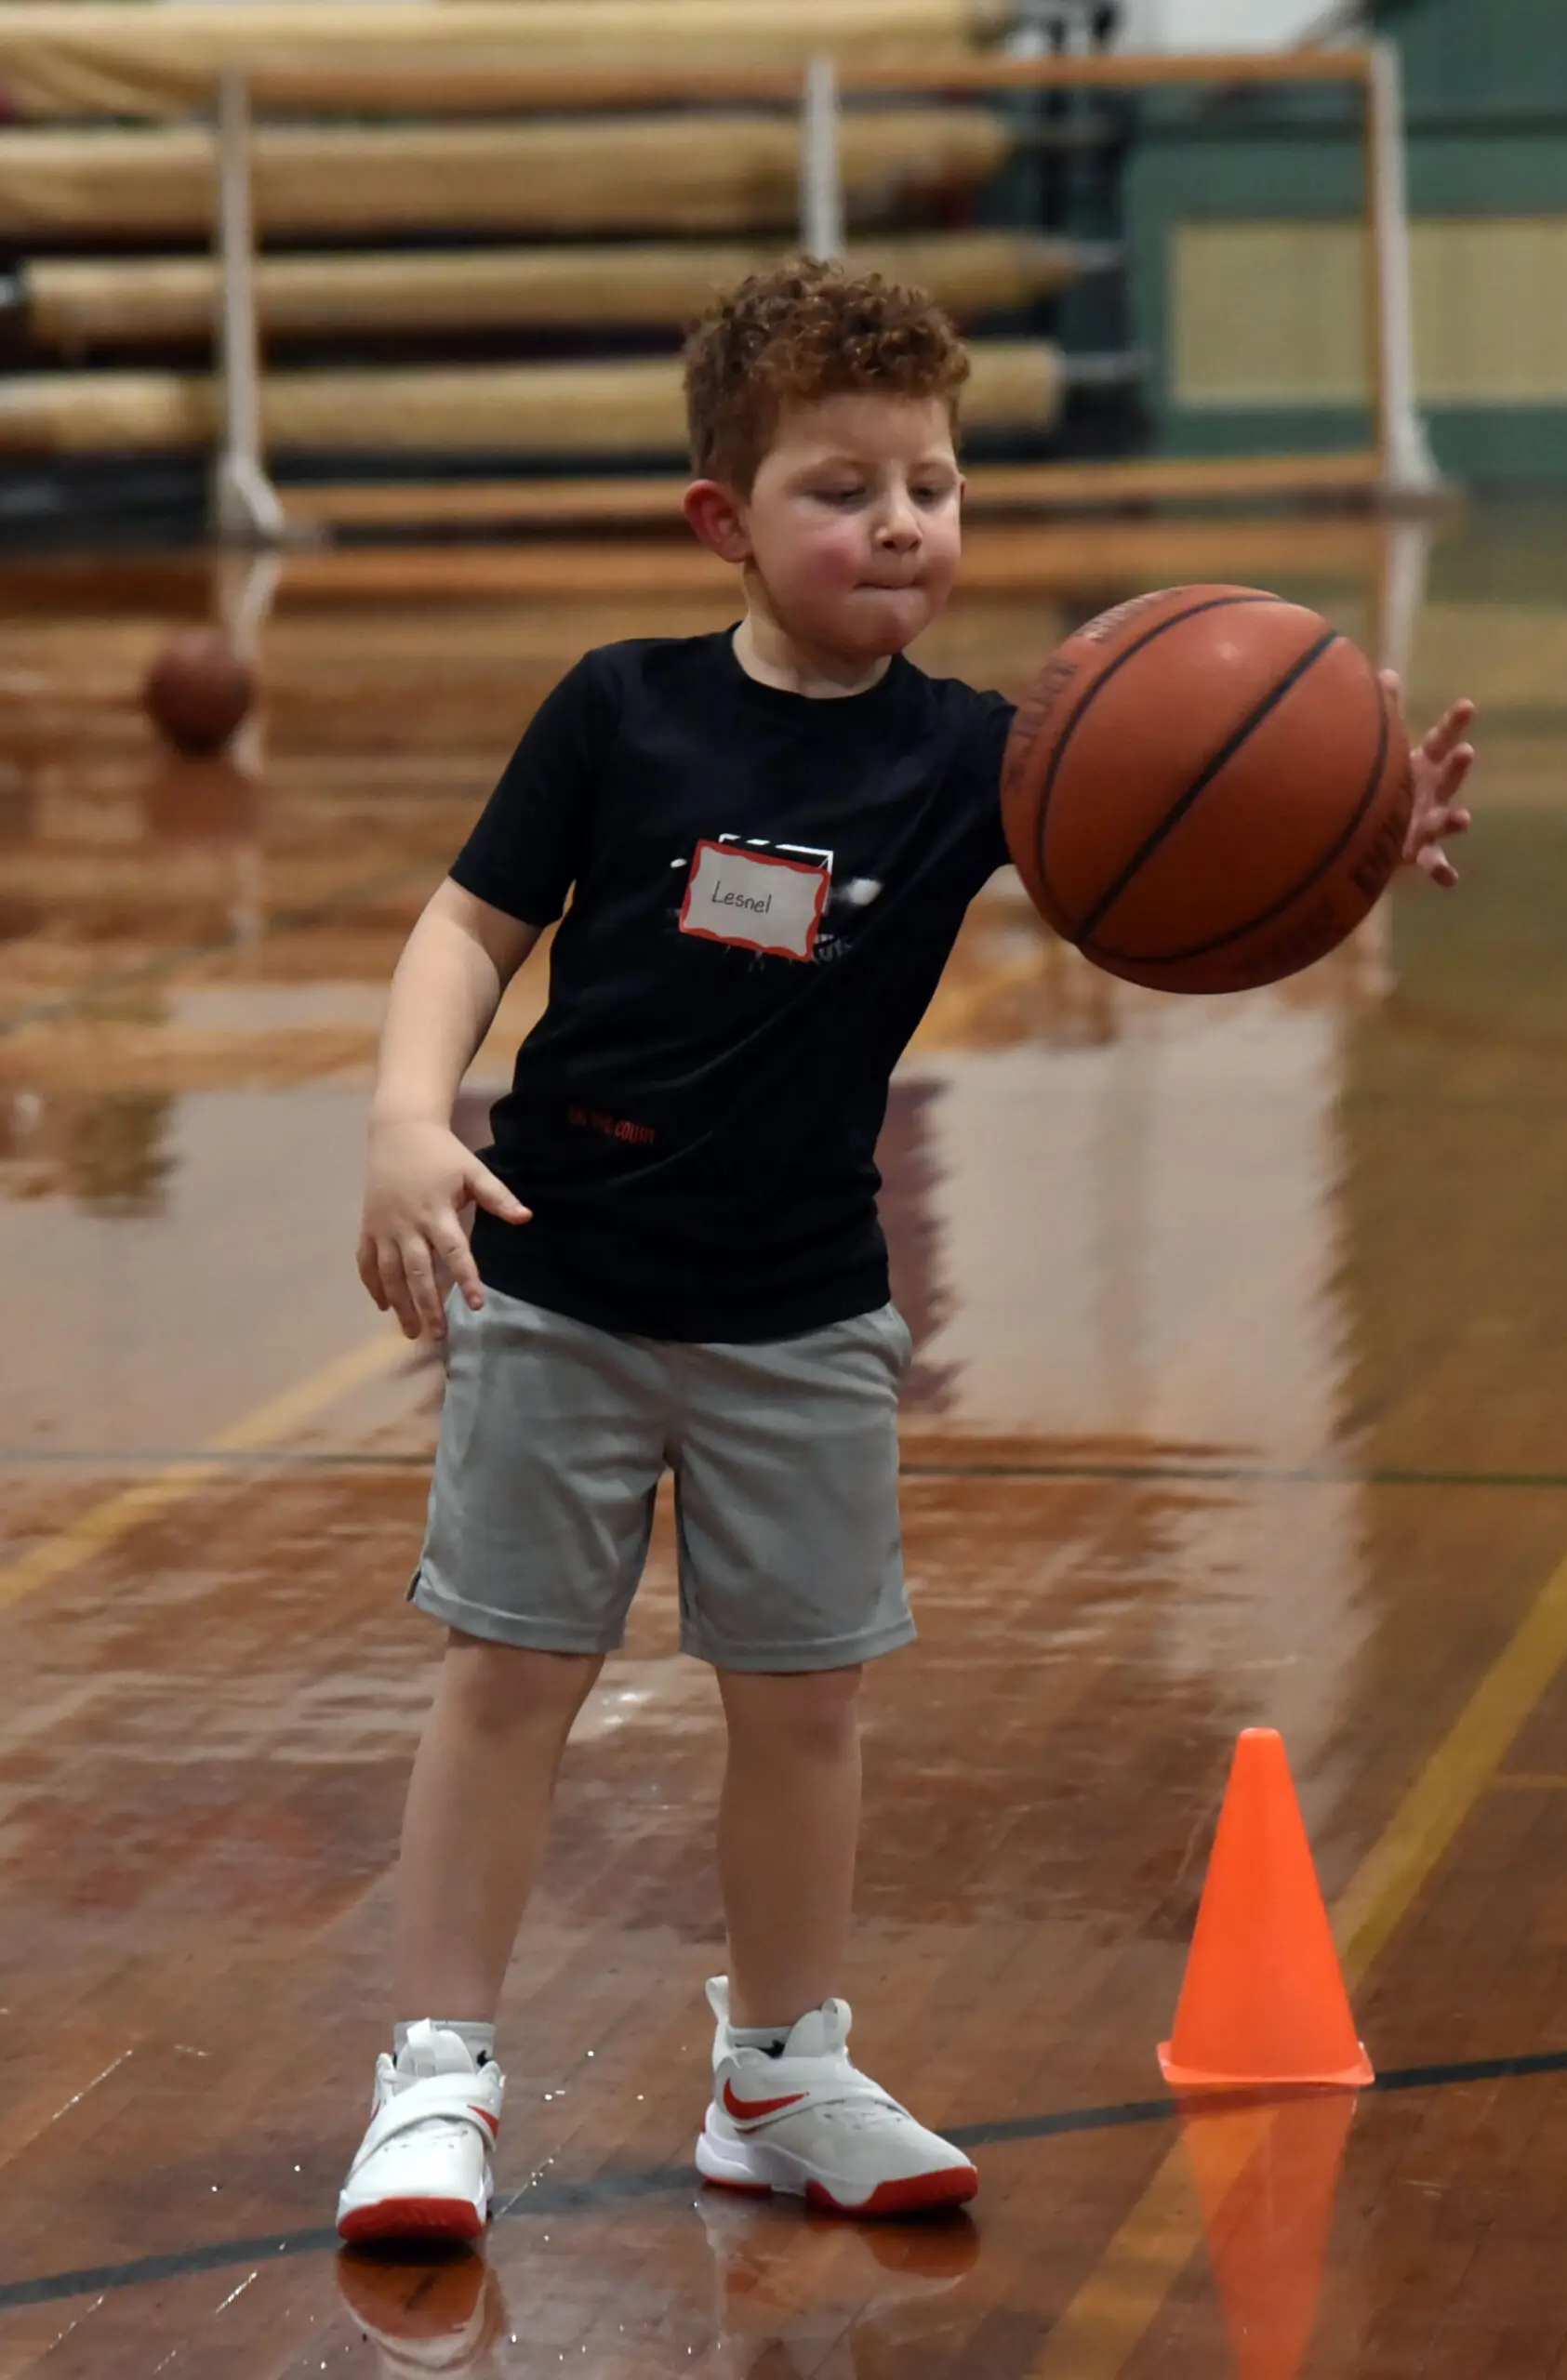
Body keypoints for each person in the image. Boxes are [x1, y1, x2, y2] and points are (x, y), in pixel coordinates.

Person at [336, 258, 1476, 2243]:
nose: (898, 524)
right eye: (842, 487)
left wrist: (1354, 828)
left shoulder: (982, 757)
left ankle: (777, 2069)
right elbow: (466, 925)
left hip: (803, 1314)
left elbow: (1190, 849)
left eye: (933, 486)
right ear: (725, 519)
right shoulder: (622, 706)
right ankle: (436, 2074)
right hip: (565, 1287)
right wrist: (406, 1115)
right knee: (511, 1678)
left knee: (808, 1706)